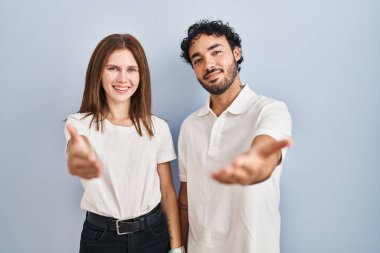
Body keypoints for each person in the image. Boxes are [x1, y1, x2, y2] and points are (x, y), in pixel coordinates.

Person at [177, 20, 292, 253]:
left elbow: (263, 160)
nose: (208, 64)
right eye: (198, 60)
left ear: (236, 53)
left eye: (216, 52)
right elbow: (186, 202)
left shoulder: (270, 110)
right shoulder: (189, 126)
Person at [64, 34, 185, 253]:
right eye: (113, 68)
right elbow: (77, 146)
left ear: (141, 76)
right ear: (98, 72)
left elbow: (167, 190)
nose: (122, 78)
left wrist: (176, 248)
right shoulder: (80, 123)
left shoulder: (157, 127)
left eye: (131, 69)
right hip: (101, 238)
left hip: (153, 236)